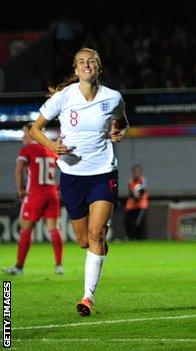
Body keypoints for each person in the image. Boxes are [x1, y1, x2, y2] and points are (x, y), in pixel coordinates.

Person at [29, 47, 128, 317]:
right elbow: (34, 129)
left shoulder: (113, 97)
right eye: (81, 62)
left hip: (103, 172)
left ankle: (87, 298)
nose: (86, 65)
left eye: (91, 61)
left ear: (98, 68)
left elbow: (121, 121)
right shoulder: (64, 97)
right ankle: (98, 246)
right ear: (75, 69)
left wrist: (118, 132)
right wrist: (52, 146)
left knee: (96, 233)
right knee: (84, 241)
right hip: (72, 176)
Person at [2, 123, 64, 276]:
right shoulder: (50, 149)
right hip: (52, 193)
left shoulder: (28, 149)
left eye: (25, 133)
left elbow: (19, 168)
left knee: (25, 229)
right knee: (53, 228)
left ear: (32, 134)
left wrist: (20, 189)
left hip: (35, 194)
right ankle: (58, 266)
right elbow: (63, 167)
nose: (23, 136)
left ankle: (19, 267)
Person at [124, 164, 149, 240]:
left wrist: (137, 197)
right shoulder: (130, 181)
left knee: (138, 223)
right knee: (127, 221)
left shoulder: (142, 180)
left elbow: (142, 192)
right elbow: (130, 193)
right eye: (135, 172)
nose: (136, 174)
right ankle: (129, 237)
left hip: (141, 205)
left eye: (138, 172)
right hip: (131, 205)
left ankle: (137, 238)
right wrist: (134, 197)